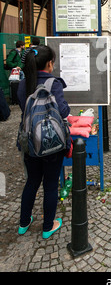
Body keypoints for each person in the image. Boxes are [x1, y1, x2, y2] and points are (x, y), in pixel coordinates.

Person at [17, 44, 70, 239]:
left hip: (28, 140)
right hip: (50, 143)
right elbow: (63, 112)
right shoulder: (54, 83)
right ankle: (48, 226)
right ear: (49, 63)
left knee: (31, 181)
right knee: (50, 184)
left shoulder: (24, 83)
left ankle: (24, 223)